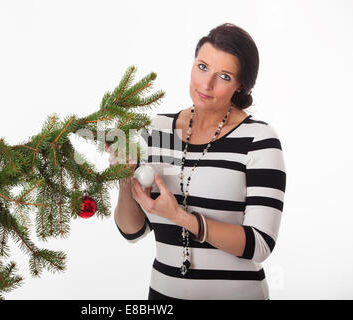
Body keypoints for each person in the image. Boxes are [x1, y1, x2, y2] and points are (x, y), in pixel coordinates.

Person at [108, 23, 286, 300]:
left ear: (240, 85)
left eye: (224, 76)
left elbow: (260, 244)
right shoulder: (159, 130)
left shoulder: (259, 139)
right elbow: (132, 231)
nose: (206, 84)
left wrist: (181, 218)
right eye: (202, 67)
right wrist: (123, 176)